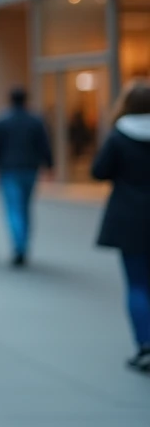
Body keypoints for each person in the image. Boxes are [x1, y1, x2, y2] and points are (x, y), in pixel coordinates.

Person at [91, 80, 150, 373]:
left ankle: (144, 346)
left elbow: (99, 171)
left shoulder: (119, 135)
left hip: (130, 219)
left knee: (138, 284)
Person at [0, 86, 53, 267]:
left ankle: (18, 246)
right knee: (25, 208)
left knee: (13, 209)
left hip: (9, 169)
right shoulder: (35, 120)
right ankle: (23, 245)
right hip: (29, 169)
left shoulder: (1, 121)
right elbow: (44, 144)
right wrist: (50, 165)